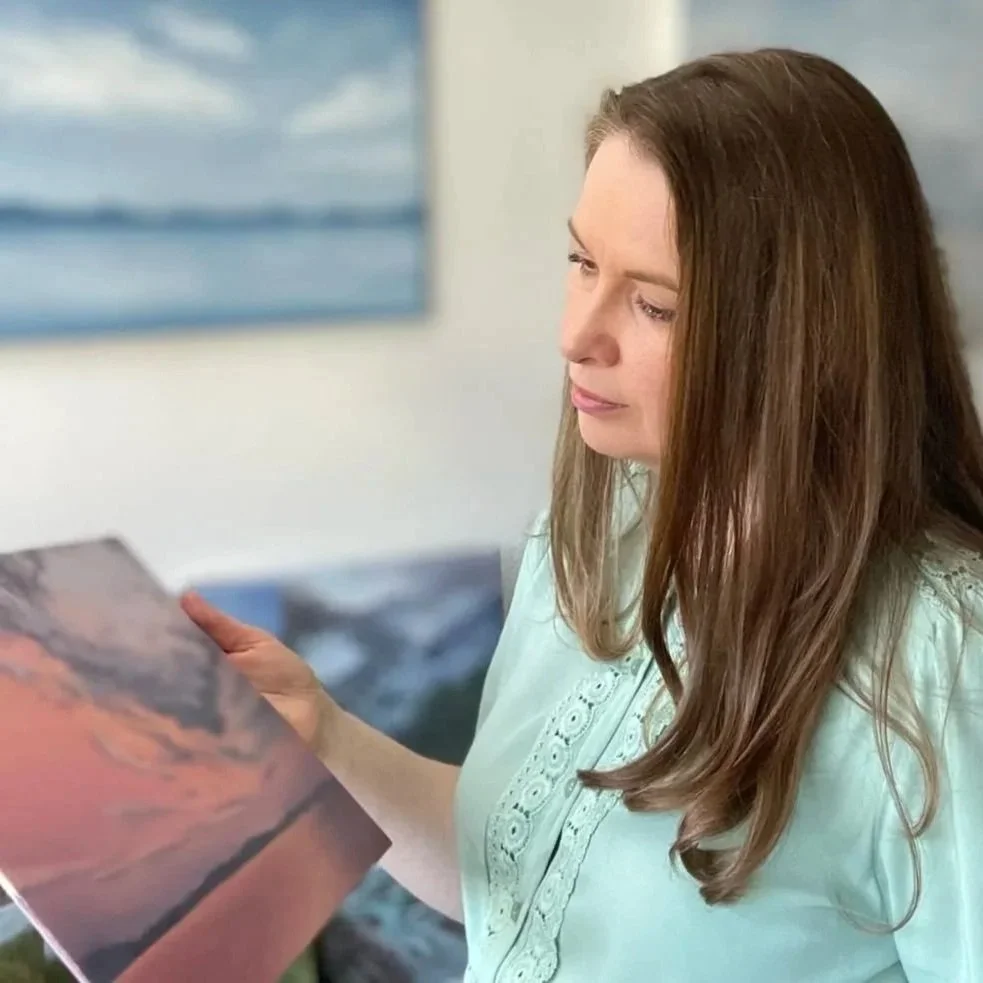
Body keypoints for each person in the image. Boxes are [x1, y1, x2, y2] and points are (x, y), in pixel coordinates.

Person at [181, 47, 983, 982]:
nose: (576, 334)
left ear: (801, 330)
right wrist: (325, 737)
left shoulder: (944, 660)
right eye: (580, 260)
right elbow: (521, 880)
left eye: (653, 304)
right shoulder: (595, 539)